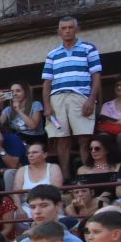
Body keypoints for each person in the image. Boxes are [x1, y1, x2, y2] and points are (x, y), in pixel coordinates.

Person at [43, 14, 102, 168]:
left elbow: (96, 77)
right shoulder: (52, 54)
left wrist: (91, 99)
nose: (67, 31)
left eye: (70, 27)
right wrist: (47, 105)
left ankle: (87, 173)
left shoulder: (89, 48)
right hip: (57, 99)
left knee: (84, 138)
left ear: (77, 29)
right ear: (59, 31)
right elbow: (47, 82)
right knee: (62, 139)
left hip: (81, 96)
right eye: (64, 28)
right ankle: (66, 178)